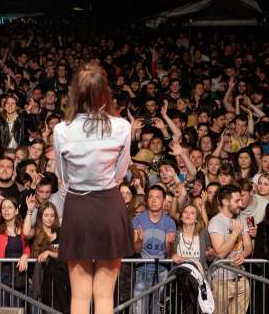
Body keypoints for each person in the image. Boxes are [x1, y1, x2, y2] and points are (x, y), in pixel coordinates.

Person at [52, 64, 133, 314]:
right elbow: (121, 172)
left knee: (79, 296)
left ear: (75, 93)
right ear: (104, 93)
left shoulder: (61, 130)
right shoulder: (122, 127)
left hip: (78, 206)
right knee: (105, 297)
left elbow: (62, 175)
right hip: (109, 205)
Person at [131, 185, 177, 314]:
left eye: (158, 197)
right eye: (151, 197)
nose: (154, 200)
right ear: (147, 200)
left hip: (162, 271)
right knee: (138, 309)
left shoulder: (169, 222)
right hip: (142, 271)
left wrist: (170, 243)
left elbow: (169, 252)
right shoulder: (137, 220)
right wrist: (139, 240)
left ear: (163, 201)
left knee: (157, 310)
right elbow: (136, 250)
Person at [208, 185, 253, 314]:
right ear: (225, 202)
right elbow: (220, 252)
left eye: (241, 200)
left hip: (241, 278)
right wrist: (234, 233)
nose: (241, 203)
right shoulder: (216, 222)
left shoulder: (241, 219)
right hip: (221, 281)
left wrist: (243, 254)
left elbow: (248, 246)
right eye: (237, 201)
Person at [23, 200, 70, 314]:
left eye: (52, 215)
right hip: (41, 282)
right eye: (46, 215)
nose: (49, 218)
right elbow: (26, 232)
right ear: (40, 216)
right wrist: (29, 211)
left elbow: (67, 254)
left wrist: (49, 253)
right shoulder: (36, 231)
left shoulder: (61, 232)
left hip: (60, 282)